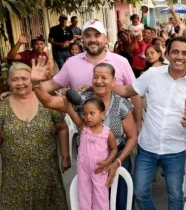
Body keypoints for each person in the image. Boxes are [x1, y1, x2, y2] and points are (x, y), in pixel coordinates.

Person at [113, 37, 186, 210]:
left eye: (185, 53)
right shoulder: (152, 75)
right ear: (167, 54)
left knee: (176, 196)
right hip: (147, 148)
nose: (180, 56)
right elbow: (128, 90)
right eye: (175, 52)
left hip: (175, 151)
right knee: (139, 192)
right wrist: (105, 85)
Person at [30, 59, 138, 210]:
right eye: (95, 77)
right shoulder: (82, 100)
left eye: (104, 77)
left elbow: (132, 137)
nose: (99, 81)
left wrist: (117, 162)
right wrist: (36, 84)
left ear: (113, 81)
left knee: (120, 203)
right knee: (88, 202)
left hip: (117, 160)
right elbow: (49, 102)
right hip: (89, 163)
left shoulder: (122, 104)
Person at [0, 62, 70, 209]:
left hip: (47, 173)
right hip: (14, 176)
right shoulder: (2, 107)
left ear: (31, 79)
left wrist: (65, 157)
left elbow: (62, 127)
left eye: (25, 78)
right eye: (15, 79)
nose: (20, 83)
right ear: (8, 82)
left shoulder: (45, 100)